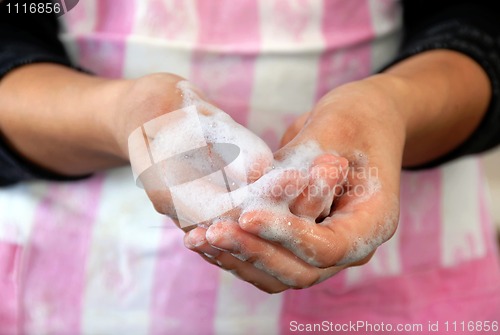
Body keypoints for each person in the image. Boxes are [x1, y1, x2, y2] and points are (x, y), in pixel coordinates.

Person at [1, 0, 500, 334]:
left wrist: (390, 108)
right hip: (81, 282)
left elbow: (479, 24)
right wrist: (125, 115)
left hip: (405, 279)